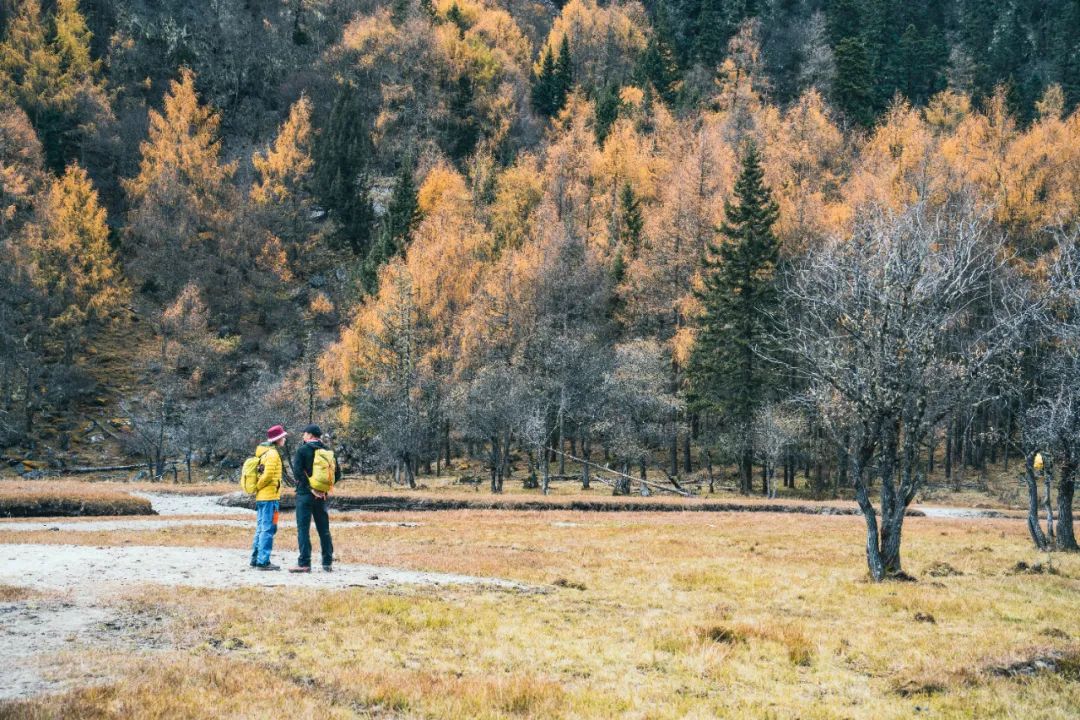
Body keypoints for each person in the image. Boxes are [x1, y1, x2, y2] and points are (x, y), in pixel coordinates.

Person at [289, 424, 340, 573]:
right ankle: (327, 562)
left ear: (310, 435)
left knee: (303, 529)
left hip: (305, 495)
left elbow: (297, 472)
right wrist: (322, 489)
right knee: (324, 529)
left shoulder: (302, 450)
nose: (303, 436)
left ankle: (304, 563)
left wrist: (310, 488)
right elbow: (337, 475)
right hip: (321, 496)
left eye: (304, 433)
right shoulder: (328, 452)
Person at [250, 424, 289, 571]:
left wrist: (257, 488)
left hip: (262, 498)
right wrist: (258, 486)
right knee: (269, 528)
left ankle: (255, 559)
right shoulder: (273, 454)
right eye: (283, 437)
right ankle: (263, 561)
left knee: (261, 528)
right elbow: (267, 476)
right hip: (270, 497)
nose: (285, 439)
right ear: (277, 439)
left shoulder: (263, 452)